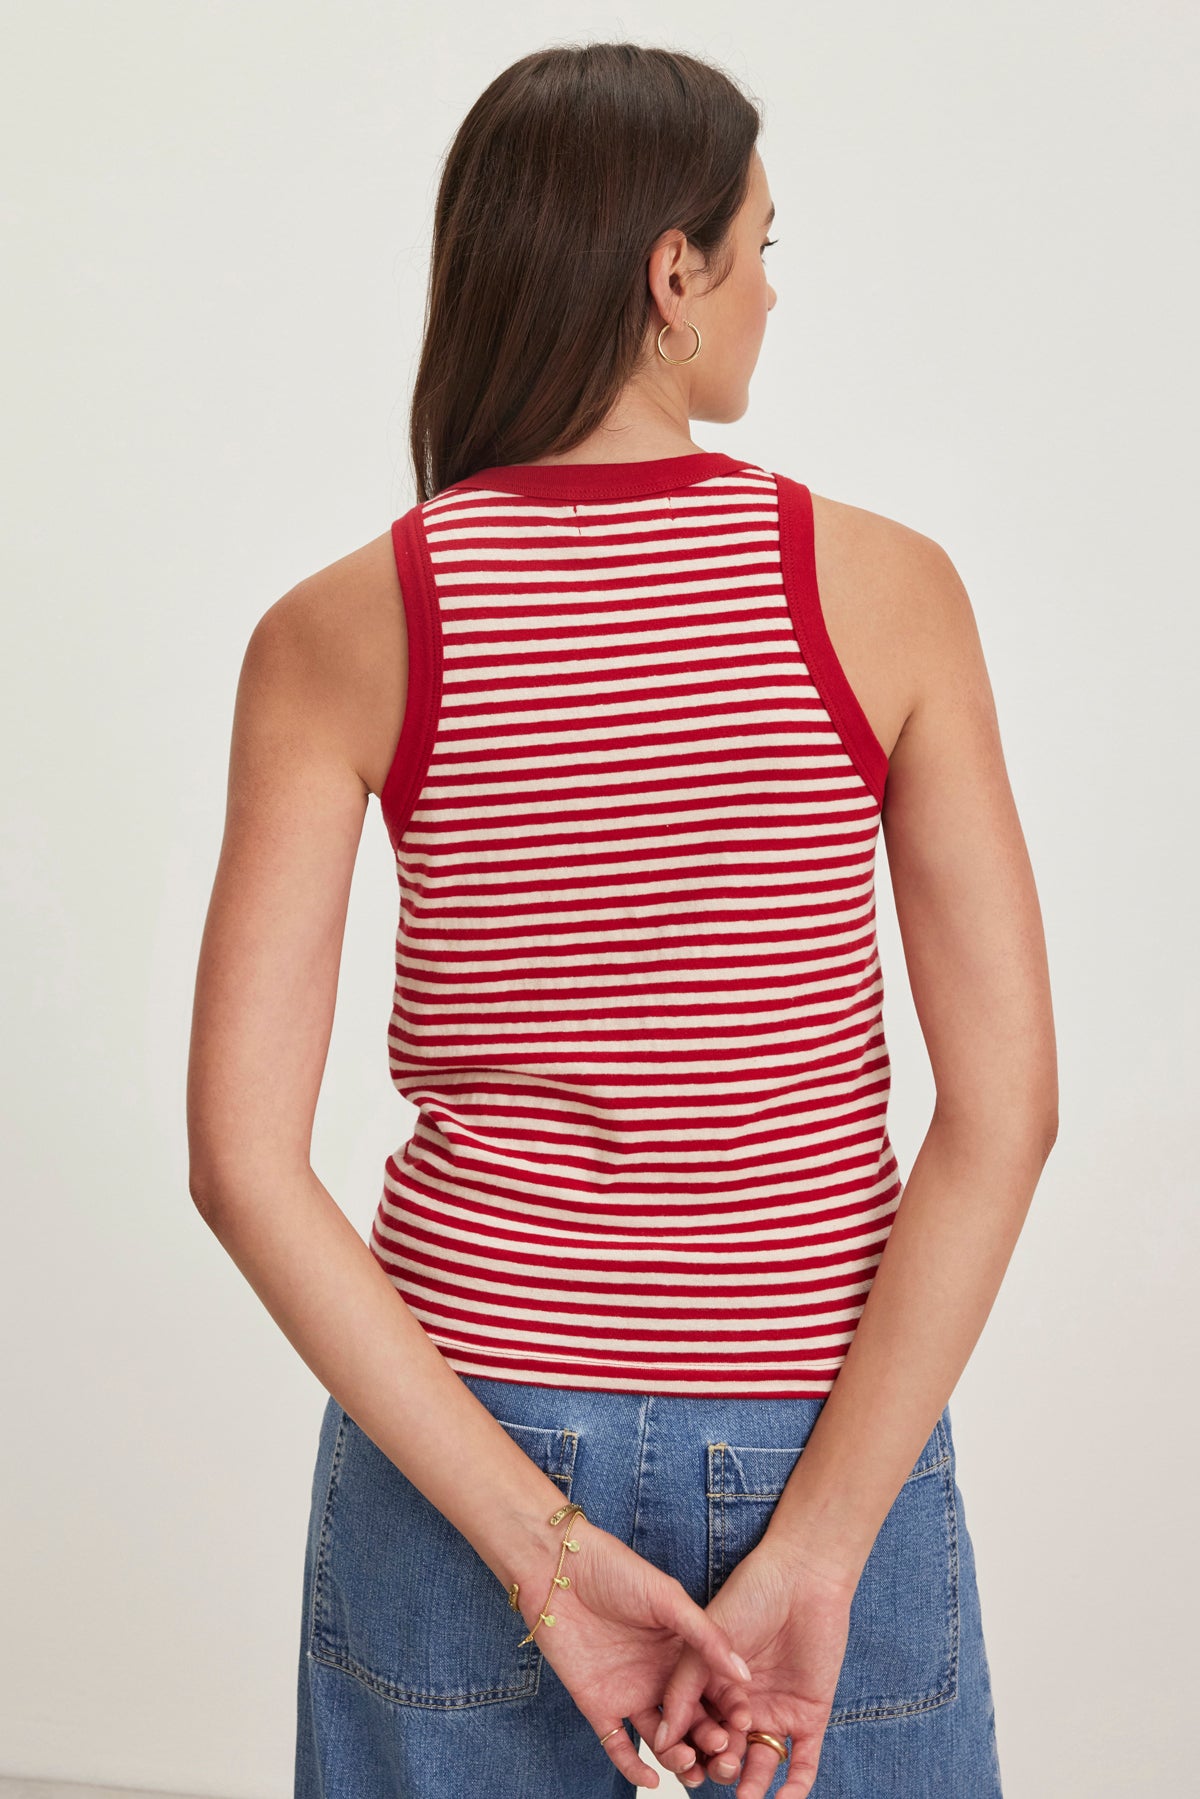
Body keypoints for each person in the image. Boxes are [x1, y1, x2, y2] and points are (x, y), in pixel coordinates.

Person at [186, 40, 1056, 1799]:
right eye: (760, 242)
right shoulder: (882, 591)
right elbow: (1006, 1109)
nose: (770, 290)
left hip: (461, 1448)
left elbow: (240, 1159)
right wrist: (821, 1546)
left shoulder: (345, 627)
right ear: (675, 271)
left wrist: (539, 1545)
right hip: (829, 1428)